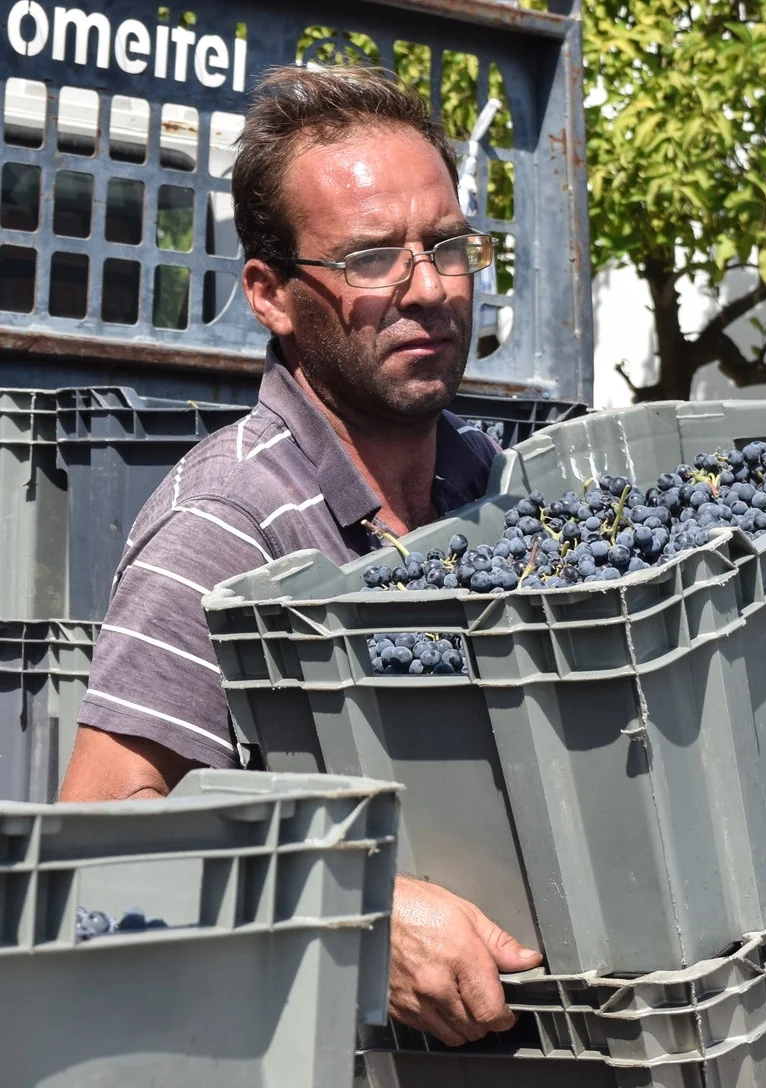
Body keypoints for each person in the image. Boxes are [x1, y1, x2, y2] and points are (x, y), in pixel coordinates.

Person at [59, 64, 542, 1046]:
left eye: (446, 244)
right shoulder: (225, 524)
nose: (430, 289)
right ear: (270, 294)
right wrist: (354, 914)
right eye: (371, 259)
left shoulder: (491, 487)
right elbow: (94, 855)